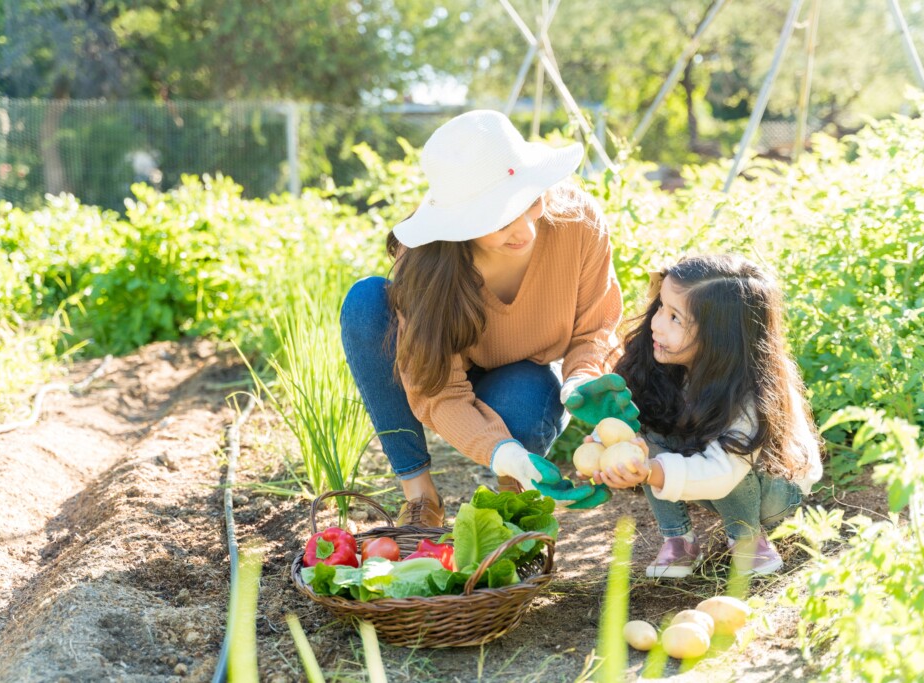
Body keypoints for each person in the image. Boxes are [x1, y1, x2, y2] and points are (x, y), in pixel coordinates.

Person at [339, 110, 639, 528]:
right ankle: (421, 497)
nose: (524, 230)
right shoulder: (428, 264)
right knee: (366, 302)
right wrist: (501, 449)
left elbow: (596, 327)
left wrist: (581, 381)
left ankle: (515, 491)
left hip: (524, 374)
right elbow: (439, 391)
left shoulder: (578, 223)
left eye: (530, 202)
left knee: (526, 402)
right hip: (438, 377)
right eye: (499, 217)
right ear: (461, 223)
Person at [587, 254, 823, 577]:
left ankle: (748, 539)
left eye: (675, 318)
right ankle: (679, 541)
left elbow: (723, 471)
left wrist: (650, 471)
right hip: (715, 469)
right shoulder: (665, 362)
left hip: (773, 488)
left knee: (722, 450)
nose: (656, 323)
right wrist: (608, 444)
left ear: (719, 339)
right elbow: (634, 417)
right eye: (661, 307)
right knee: (646, 432)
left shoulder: (749, 396)